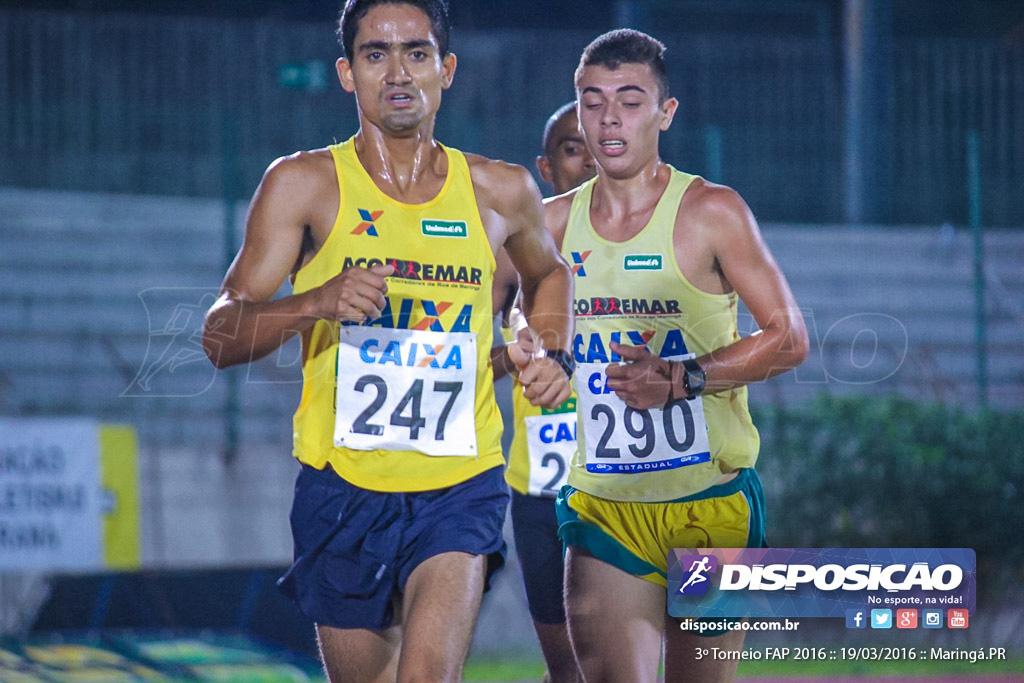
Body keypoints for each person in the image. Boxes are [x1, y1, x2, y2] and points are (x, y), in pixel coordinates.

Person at [201, 2, 574, 681]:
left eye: (417, 53)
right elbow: (220, 335)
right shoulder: (302, 185)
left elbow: (550, 274)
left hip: (459, 485)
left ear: (447, 69)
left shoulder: (500, 190)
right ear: (347, 73)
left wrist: (551, 350)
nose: (397, 72)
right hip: (343, 487)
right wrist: (316, 300)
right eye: (376, 54)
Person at [543, 30, 810, 683]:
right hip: (604, 504)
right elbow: (496, 329)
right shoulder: (547, 228)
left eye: (630, 101)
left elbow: (790, 337)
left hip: (710, 501)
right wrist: (526, 356)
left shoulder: (712, 212)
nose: (609, 117)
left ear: (665, 113)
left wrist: (683, 378)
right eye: (592, 100)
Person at [490, 102, 594, 683]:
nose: (588, 158)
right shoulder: (512, 254)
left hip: (640, 476)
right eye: (570, 148)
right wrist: (516, 355)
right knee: (569, 669)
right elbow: (469, 361)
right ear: (545, 167)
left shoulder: (663, 237)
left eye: (594, 143)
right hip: (545, 484)